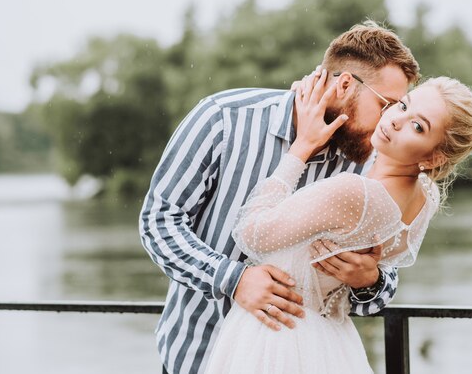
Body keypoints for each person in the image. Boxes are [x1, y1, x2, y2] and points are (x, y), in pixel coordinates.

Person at [139, 21, 420, 374]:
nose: (390, 121)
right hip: (199, 355)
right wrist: (233, 280)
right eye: (387, 105)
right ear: (346, 84)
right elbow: (158, 222)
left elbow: (379, 289)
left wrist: (369, 281)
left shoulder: (373, 164)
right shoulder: (223, 118)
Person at [204, 73, 472, 373]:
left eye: (417, 126)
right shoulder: (425, 197)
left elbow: (252, 233)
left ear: (434, 158)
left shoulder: (354, 192)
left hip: (280, 337)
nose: (396, 120)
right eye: (402, 105)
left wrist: (301, 147)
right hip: (332, 341)